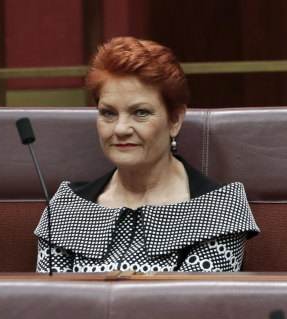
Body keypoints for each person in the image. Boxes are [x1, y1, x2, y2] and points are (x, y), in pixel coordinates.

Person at [35, 37, 259, 273]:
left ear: (175, 119)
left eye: (140, 112)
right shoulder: (66, 208)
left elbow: (194, 306)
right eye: (108, 113)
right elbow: (50, 304)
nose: (120, 129)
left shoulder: (219, 209)